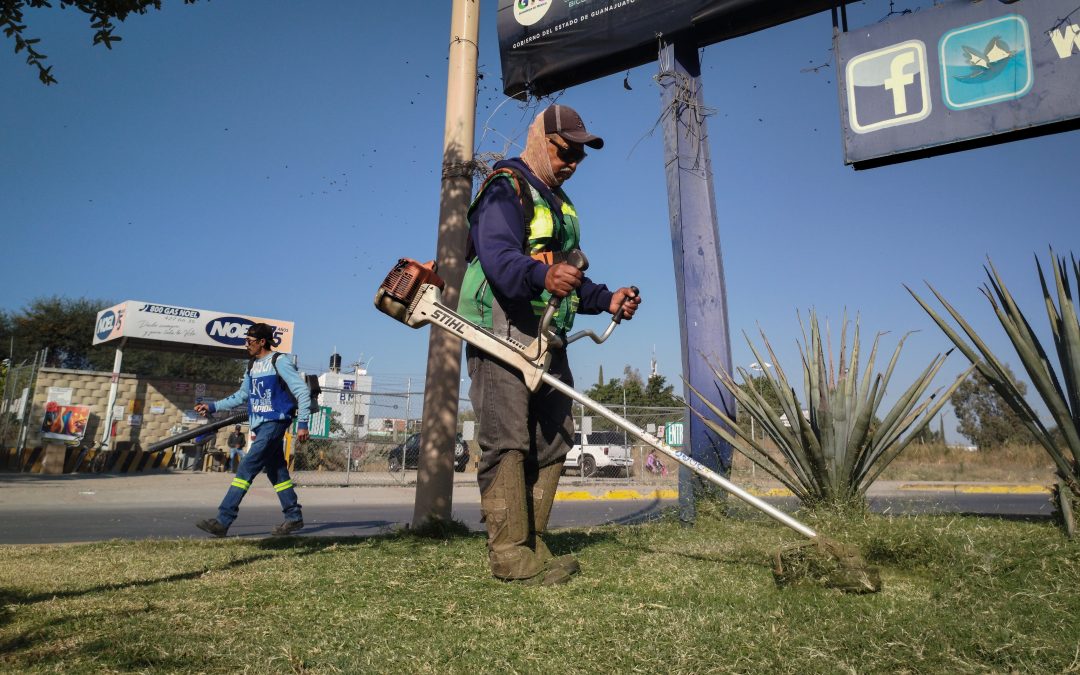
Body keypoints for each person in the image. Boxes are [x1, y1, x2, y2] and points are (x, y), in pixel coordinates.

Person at [458, 104, 641, 585]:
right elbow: (498, 259)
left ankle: (533, 540)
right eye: (566, 151)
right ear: (540, 139)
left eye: (581, 155)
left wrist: (607, 300)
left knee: (555, 437)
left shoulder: (560, 205)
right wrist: (542, 273)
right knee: (505, 440)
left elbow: (570, 279)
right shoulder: (505, 188)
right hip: (498, 333)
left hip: (547, 337)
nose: (573, 163)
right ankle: (511, 557)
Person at [193, 323, 310, 537]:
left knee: (246, 468)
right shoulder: (251, 366)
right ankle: (294, 517)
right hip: (260, 425)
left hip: (275, 422)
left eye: (249, 341)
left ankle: (223, 520)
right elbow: (241, 396)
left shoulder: (279, 361)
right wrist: (212, 406)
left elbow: (302, 391)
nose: (246, 344)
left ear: (262, 341)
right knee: (277, 472)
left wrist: (303, 423)